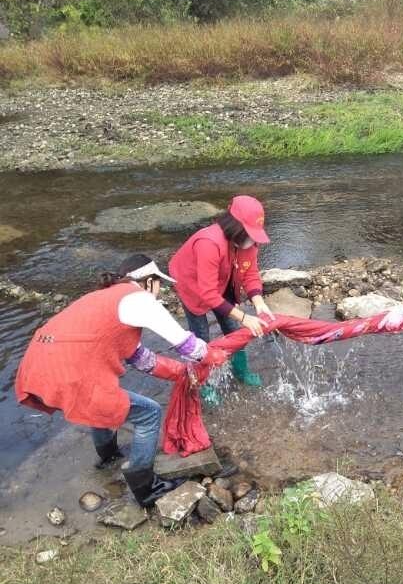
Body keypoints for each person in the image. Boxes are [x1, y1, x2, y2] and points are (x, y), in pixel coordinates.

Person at [15, 254, 223, 507]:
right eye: (159, 284)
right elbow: (189, 346)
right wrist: (216, 355)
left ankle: (108, 457)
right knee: (149, 413)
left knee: (99, 402)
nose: (159, 291)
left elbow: (139, 358)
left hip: (38, 364)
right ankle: (146, 486)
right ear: (149, 282)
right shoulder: (141, 300)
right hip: (69, 371)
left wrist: (181, 373)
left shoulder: (104, 298)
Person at [169, 195, 274, 406]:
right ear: (234, 226)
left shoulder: (249, 243)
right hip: (192, 284)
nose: (252, 241)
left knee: (233, 329)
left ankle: (241, 371)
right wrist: (245, 316)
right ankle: (203, 384)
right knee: (200, 338)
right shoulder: (209, 242)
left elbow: (250, 274)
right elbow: (207, 293)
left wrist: (260, 303)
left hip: (223, 278)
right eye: (248, 234)